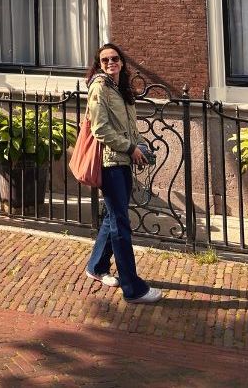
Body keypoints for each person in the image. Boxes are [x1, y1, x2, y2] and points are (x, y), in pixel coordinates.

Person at [84, 43, 162, 304]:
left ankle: (96, 266)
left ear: (122, 62)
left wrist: (139, 146)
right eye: (104, 60)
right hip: (111, 163)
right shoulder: (99, 88)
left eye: (114, 59)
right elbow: (100, 130)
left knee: (112, 217)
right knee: (120, 224)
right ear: (99, 64)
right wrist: (130, 148)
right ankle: (133, 288)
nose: (110, 63)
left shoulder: (119, 88)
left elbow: (128, 126)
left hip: (124, 160)